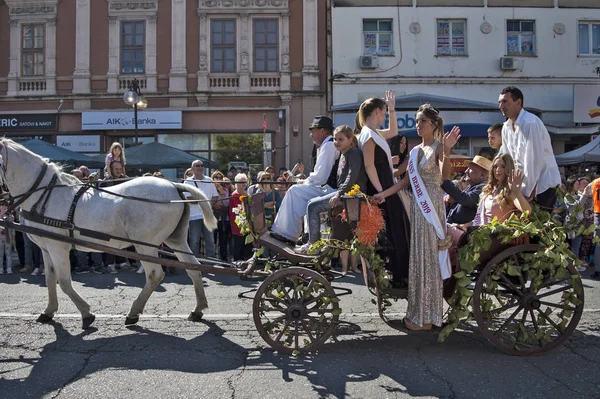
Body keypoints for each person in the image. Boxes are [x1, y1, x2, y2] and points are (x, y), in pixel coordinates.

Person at [374, 103, 461, 330]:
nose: (418, 125)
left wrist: (448, 151)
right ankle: (417, 313)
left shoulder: (439, 148)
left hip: (431, 207)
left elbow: (444, 177)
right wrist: (382, 193)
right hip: (417, 210)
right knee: (419, 258)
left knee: (430, 261)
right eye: (416, 120)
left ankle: (428, 318)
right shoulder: (413, 152)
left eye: (422, 121)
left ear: (433, 125)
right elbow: (403, 179)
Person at [358, 92, 410, 287]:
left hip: (386, 187)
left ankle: (400, 274)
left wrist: (392, 108)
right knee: (395, 232)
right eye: (384, 113)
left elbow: (394, 132)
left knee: (397, 230)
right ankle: (398, 275)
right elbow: (369, 166)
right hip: (383, 189)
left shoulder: (372, 132)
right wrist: (382, 192)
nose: (385, 117)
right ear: (377, 111)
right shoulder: (369, 135)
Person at [270, 116, 338, 244]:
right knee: (296, 191)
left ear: (322, 131)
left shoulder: (328, 146)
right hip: (327, 188)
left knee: (294, 191)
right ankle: (302, 234)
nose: (311, 134)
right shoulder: (326, 146)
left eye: (313, 131)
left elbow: (320, 176)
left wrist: (303, 182)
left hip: (330, 189)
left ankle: (287, 234)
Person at [498, 86, 561, 211]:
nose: (501, 106)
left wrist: (527, 192)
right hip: (521, 186)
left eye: (505, 101)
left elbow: (533, 161)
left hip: (543, 184)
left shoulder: (530, 123)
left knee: (540, 227)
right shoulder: (505, 127)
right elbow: (508, 160)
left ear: (518, 102)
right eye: (499, 102)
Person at [473, 153, 532, 226]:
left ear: (509, 169)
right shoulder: (489, 190)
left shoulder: (510, 192)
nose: (498, 170)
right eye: (495, 166)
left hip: (496, 234)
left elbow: (527, 211)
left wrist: (517, 192)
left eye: (503, 166)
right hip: (480, 231)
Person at [443, 155, 491, 226]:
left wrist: (443, 180)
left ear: (482, 175)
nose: (466, 171)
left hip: (465, 233)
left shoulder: (483, 188)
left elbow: (464, 199)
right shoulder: (472, 186)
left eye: (470, 169)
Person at [184, 160, 219, 258]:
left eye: (201, 165)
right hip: (194, 216)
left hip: (208, 215)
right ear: (192, 169)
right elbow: (188, 198)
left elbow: (215, 196)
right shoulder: (188, 181)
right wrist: (205, 204)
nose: (200, 167)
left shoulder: (209, 180)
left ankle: (211, 262)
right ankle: (195, 262)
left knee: (210, 240)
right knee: (194, 241)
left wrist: (208, 205)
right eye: (197, 165)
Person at [228, 173, 253, 261]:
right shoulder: (235, 194)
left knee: (246, 243)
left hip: (247, 221)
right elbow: (239, 208)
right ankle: (237, 260)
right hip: (237, 222)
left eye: (244, 182)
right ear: (236, 183)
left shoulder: (247, 193)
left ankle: (245, 259)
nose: (243, 184)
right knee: (238, 242)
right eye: (241, 182)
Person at [211, 171, 231, 261]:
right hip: (213, 218)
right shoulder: (209, 189)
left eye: (220, 177)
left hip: (223, 218)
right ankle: (212, 258)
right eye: (216, 177)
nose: (218, 179)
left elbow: (227, 203)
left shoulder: (225, 190)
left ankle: (223, 259)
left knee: (223, 241)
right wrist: (214, 203)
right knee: (212, 240)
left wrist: (222, 192)